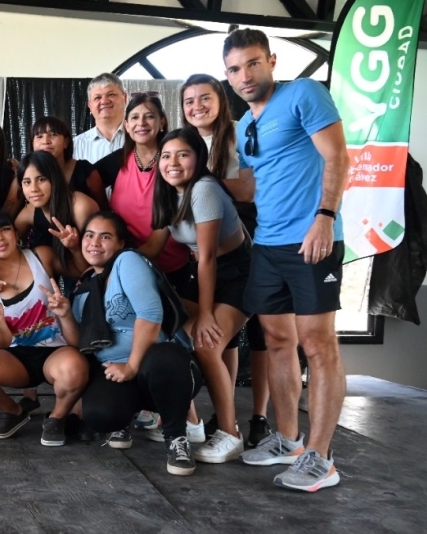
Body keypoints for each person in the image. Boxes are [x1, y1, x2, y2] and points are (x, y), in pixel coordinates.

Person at [224, 28, 349, 492]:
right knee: (277, 339)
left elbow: (337, 157)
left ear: (271, 61)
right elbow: (253, 188)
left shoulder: (304, 94)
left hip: (312, 237)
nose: (245, 75)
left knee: (318, 344)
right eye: (235, 69)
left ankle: (321, 458)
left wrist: (326, 216)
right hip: (269, 244)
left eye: (253, 63)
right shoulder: (244, 125)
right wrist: (202, 178)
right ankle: (288, 440)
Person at [146, 128, 250, 463]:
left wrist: (204, 313)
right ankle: (191, 423)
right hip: (203, 272)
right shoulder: (165, 192)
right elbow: (152, 247)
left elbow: (207, 257)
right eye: (165, 155)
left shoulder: (204, 188)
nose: (172, 162)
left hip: (237, 273)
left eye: (182, 154)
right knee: (167, 328)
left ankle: (231, 434)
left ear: (198, 158)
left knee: (206, 343)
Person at [94, 92, 192, 444]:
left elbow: (158, 237)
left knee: (166, 342)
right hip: (123, 268)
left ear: (162, 121)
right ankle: (132, 409)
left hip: (166, 266)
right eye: (134, 117)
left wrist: (125, 259)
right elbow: (84, 187)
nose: (141, 123)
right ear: (125, 124)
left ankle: (184, 421)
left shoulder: (171, 164)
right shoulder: (115, 163)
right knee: (126, 337)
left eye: (149, 116)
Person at [72, 212, 203, 476]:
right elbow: (81, 342)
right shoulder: (85, 287)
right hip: (117, 370)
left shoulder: (127, 261)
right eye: (89, 235)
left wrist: (131, 366)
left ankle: (177, 437)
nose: (94, 242)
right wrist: (65, 313)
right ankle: (125, 416)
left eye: (105, 236)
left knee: (163, 358)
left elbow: (151, 315)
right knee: (99, 415)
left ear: (121, 243)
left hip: (161, 368)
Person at [180, 73, 271, 448]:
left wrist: (204, 176)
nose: (197, 106)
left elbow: (249, 190)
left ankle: (259, 417)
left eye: (205, 98)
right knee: (223, 338)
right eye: (189, 101)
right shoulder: (184, 143)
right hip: (205, 248)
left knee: (264, 336)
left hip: (255, 238)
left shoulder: (240, 132)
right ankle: (225, 414)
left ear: (221, 99)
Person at [0, 210, 87, 446]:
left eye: (5, 229)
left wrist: (75, 248)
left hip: (57, 350)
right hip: (17, 357)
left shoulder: (41, 256)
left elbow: (80, 271)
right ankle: (14, 412)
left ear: (16, 233)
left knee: (74, 368)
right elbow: (3, 344)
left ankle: (57, 417)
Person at [31, 116, 108, 210]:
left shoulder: (85, 170)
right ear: (32, 144)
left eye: (53, 134)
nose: (46, 141)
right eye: (39, 136)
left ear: (66, 142)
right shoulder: (26, 173)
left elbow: (104, 209)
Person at [73, 73, 128, 164]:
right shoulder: (77, 145)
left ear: (125, 98)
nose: (104, 101)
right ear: (89, 105)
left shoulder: (140, 138)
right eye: (97, 97)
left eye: (111, 95)